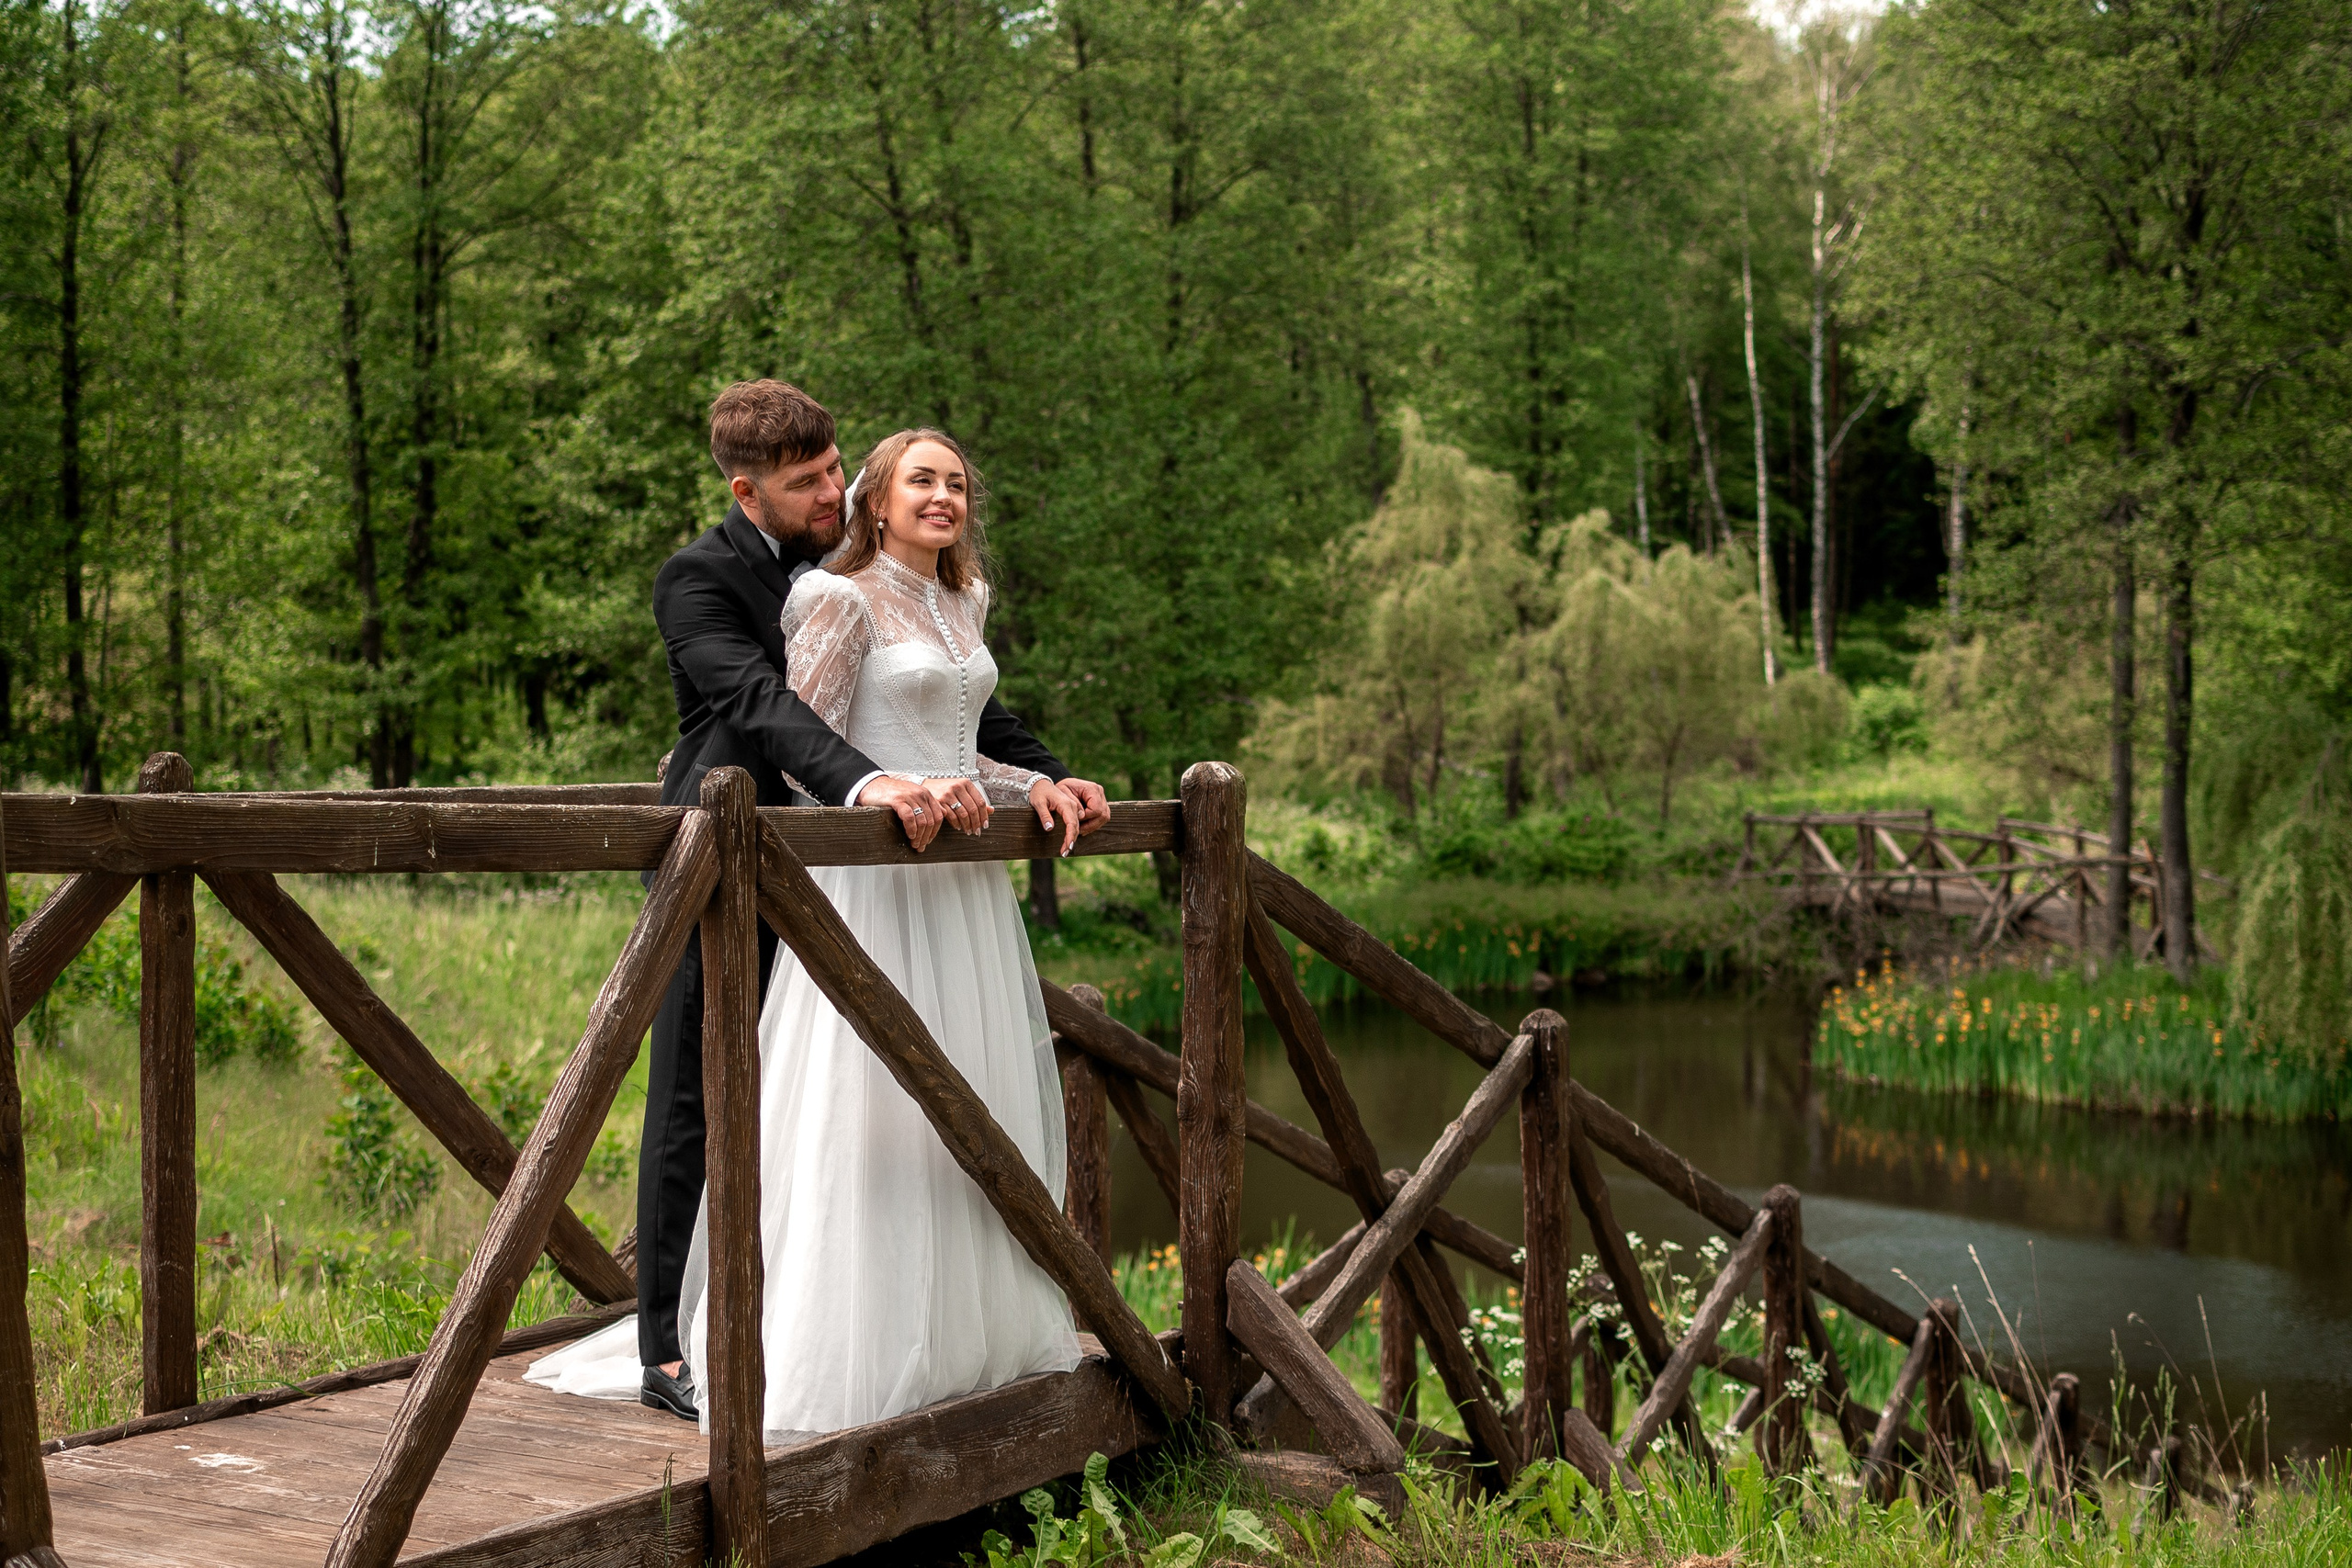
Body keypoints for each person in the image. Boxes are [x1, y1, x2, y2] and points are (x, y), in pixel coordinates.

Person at [528, 382, 1108, 1425]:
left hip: (845, 867)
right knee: (696, 1095)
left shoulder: (854, 568)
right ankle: (667, 1346)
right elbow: (759, 705)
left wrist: (1047, 775)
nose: (834, 492)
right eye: (810, 483)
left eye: (840, 470)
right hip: (721, 864)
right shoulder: (695, 581)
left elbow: (968, 706)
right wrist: (868, 782)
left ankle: (893, 1319)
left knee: (873, 1102)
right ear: (748, 490)